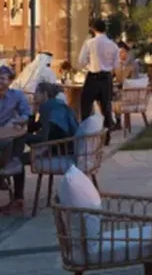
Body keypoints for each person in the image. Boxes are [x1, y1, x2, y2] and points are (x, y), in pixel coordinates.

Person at [2, 81, 78, 215]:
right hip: (64, 147)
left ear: (44, 94)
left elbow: (43, 138)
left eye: (36, 93)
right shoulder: (54, 105)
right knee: (17, 153)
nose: (34, 96)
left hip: (59, 150)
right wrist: (33, 111)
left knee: (18, 155)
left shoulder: (49, 108)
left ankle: (17, 197)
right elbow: (35, 127)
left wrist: (25, 136)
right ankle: (12, 168)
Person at [78, 18, 119, 136]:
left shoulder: (89, 43)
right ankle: (107, 135)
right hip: (106, 78)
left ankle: (86, 132)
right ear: (105, 29)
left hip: (93, 77)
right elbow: (116, 65)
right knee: (106, 107)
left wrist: (89, 64)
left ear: (93, 29)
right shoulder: (113, 45)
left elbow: (81, 61)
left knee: (85, 105)